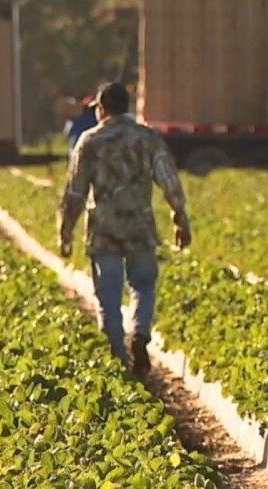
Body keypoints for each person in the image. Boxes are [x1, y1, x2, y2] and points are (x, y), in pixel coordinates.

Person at [58, 82, 192, 376]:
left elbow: (75, 192)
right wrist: (180, 216)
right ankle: (140, 334)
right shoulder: (147, 138)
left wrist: (65, 230)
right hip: (139, 226)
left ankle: (118, 354)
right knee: (143, 286)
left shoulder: (89, 141)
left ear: (101, 109)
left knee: (107, 295)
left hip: (104, 230)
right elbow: (168, 178)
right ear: (128, 107)